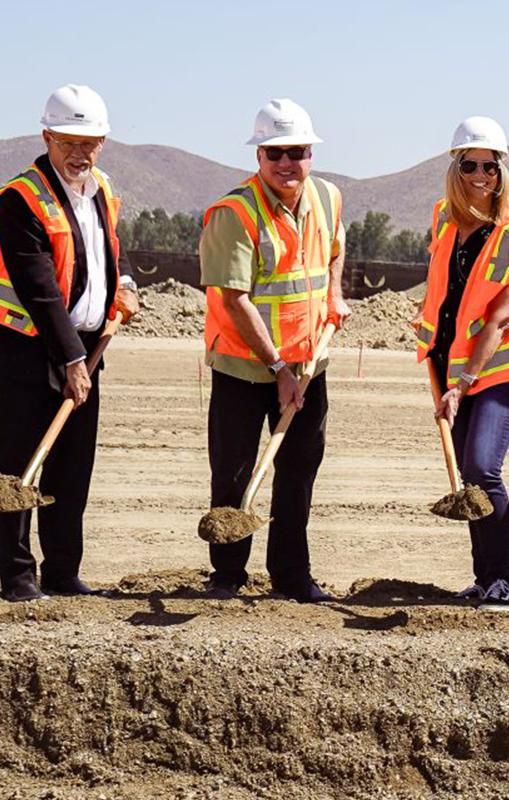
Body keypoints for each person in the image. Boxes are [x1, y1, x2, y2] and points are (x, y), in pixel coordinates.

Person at [0, 85, 141, 602]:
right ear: (47, 136)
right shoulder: (20, 199)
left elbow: (110, 250)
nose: (80, 153)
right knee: (18, 467)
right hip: (25, 350)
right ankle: (18, 576)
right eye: (69, 141)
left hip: (88, 346)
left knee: (72, 467)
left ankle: (64, 572)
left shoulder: (102, 189)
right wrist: (71, 359)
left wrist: (128, 284)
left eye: (90, 142)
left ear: (104, 143)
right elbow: (39, 288)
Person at [198, 99, 348, 603]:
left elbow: (335, 248)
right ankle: (227, 574)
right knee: (235, 473)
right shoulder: (234, 213)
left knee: (298, 472)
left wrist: (336, 294)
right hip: (246, 367)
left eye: (297, 152)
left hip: (308, 364)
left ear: (311, 154)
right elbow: (234, 299)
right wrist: (278, 367)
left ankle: (291, 575)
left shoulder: (327, 198)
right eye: (275, 153)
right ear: (258, 156)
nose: (287, 163)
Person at [415, 116, 509, 611]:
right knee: (468, 474)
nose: (482, 174)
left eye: (491, 165)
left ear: (503, 172)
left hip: (499, 374)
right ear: (456, 168)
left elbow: (501, 320)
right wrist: (445, 372)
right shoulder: (443, 219)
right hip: (449, 370)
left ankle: (503, 583)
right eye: (471, 165)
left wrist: (462, 384)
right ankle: (484, 579)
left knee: (484, 469)